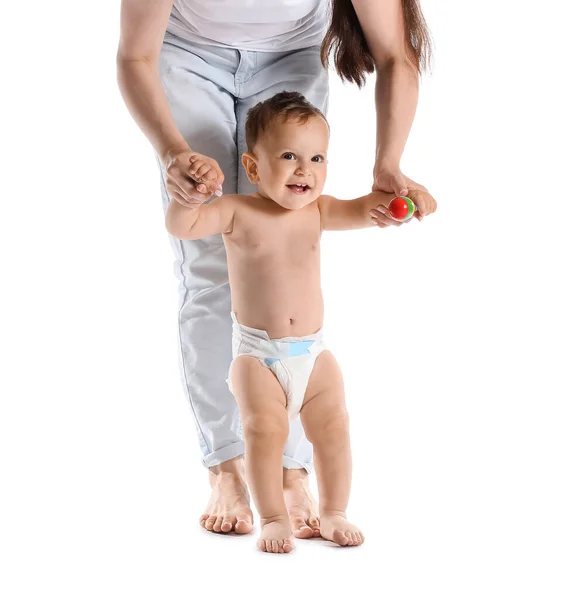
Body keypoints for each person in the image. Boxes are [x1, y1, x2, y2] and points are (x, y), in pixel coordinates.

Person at [116, 0, 433, 538]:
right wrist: (174, 156)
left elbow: (395, 55)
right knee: (210, 261)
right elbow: (135, 54)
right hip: (188, 54)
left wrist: (388, 166)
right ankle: (226, 464)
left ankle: (290, 469)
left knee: (289, 231)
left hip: (289, 57)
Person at [165, 90, 436, 552]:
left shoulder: (319, 210)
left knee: (334, 428)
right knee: (264, 431)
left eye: (316, 157)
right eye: (288, 155)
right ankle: (273, 516)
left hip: (313, 354)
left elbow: (368, 207)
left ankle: (333, 511)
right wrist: (188, 198)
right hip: (258, 358)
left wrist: (409, 197)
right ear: (252, 168)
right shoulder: (237, 210)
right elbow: (183, 227)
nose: (304, 168)